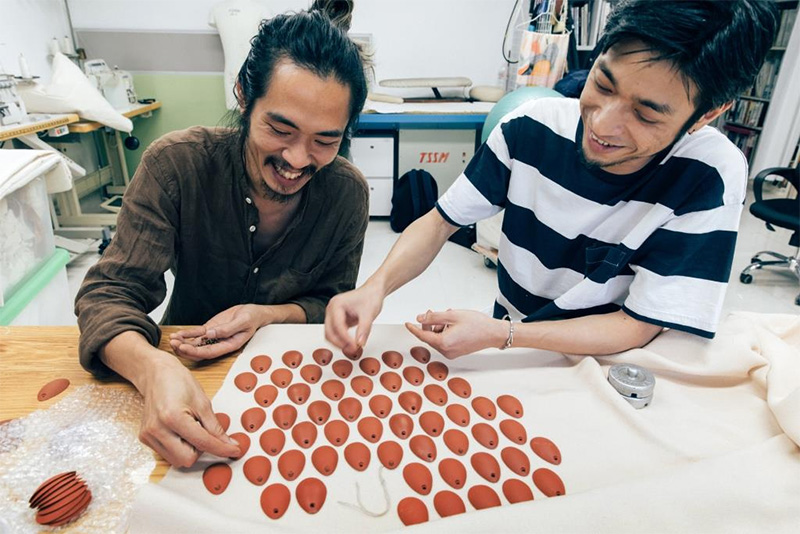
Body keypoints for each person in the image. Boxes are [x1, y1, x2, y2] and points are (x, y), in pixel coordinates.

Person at [326, 0, 778, 359]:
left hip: (609, 359)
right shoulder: (530, 128)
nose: (603, 124)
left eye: (645, 114)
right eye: (602, 84)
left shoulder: (710, 174)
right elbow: (439, 222)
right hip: (513, 339)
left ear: (707, 114)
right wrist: (374, 289)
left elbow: (638, 324)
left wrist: (505, 335)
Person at [75, 0, 368, 467]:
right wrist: (154, 368)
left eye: (325, 141)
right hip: (181, 369)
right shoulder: (176, 166)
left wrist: (267, 315)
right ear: (243, 97)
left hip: (295, 388)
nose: (297, 159)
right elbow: (108, 295)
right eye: (280, 128)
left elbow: (331, 304)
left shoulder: (346, 194)